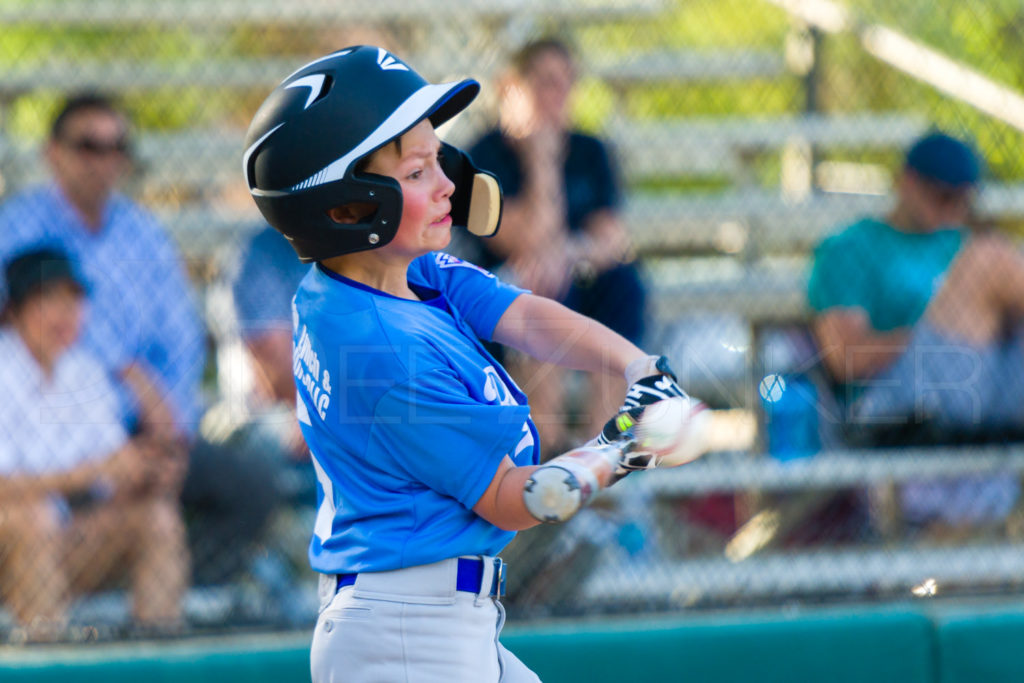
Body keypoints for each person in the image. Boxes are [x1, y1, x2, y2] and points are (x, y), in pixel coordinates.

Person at [243, 45, 695, 682]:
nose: (448, 184)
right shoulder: (379, 346)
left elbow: (524, 316)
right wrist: (628, 446)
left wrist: (640, 367)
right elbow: (518, 498)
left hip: (433, 622)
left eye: (440, 161)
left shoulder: (401, 273)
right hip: (406, 637)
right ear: (348, 207)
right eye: (419, 170)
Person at [0, 93, 279, 587]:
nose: (104, 161)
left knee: (250, 487)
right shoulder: (15, 226)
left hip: (143, 426)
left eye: (116, 148)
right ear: (53, 153)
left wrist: (168, 430)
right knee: (65, 507)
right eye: (89, 146)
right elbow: (25, 338)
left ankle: (176, 599)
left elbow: (180, 341)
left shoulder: (143, 232)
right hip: (48, 424)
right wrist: (121, 375)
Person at [808, 130, 1024, 532]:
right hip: (897, 397)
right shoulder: (852, 248)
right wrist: (942, 327)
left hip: (987, 386)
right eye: (942, 196)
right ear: (906, 182)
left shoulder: (959, 240)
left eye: (963, 200)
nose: (953, 211)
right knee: (989, 259)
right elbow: (845, 358)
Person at [465, 38, 648, 455]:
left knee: (622, 284)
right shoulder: (481, 156)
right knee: (540, 288)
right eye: (545, 83)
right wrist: (542, 160)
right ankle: (542, 453)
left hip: (574, 276)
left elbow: (612, 241)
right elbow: (519, 240)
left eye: (567, 84)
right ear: (511, 87)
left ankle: (601, 455)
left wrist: (565, 255)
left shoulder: (589, 149)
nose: (558, 97)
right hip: (505, 292)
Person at [0, 248, 187, 642]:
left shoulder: (83, 371)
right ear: (15, 309)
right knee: (34, 518)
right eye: (49, 300)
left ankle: (156, 655)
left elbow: (110, 478)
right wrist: (93, 472)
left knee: (156, 517)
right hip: (14, 539)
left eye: (73, 300)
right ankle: (46, 659)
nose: (64, 314)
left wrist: (144, 474)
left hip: (62, 544)